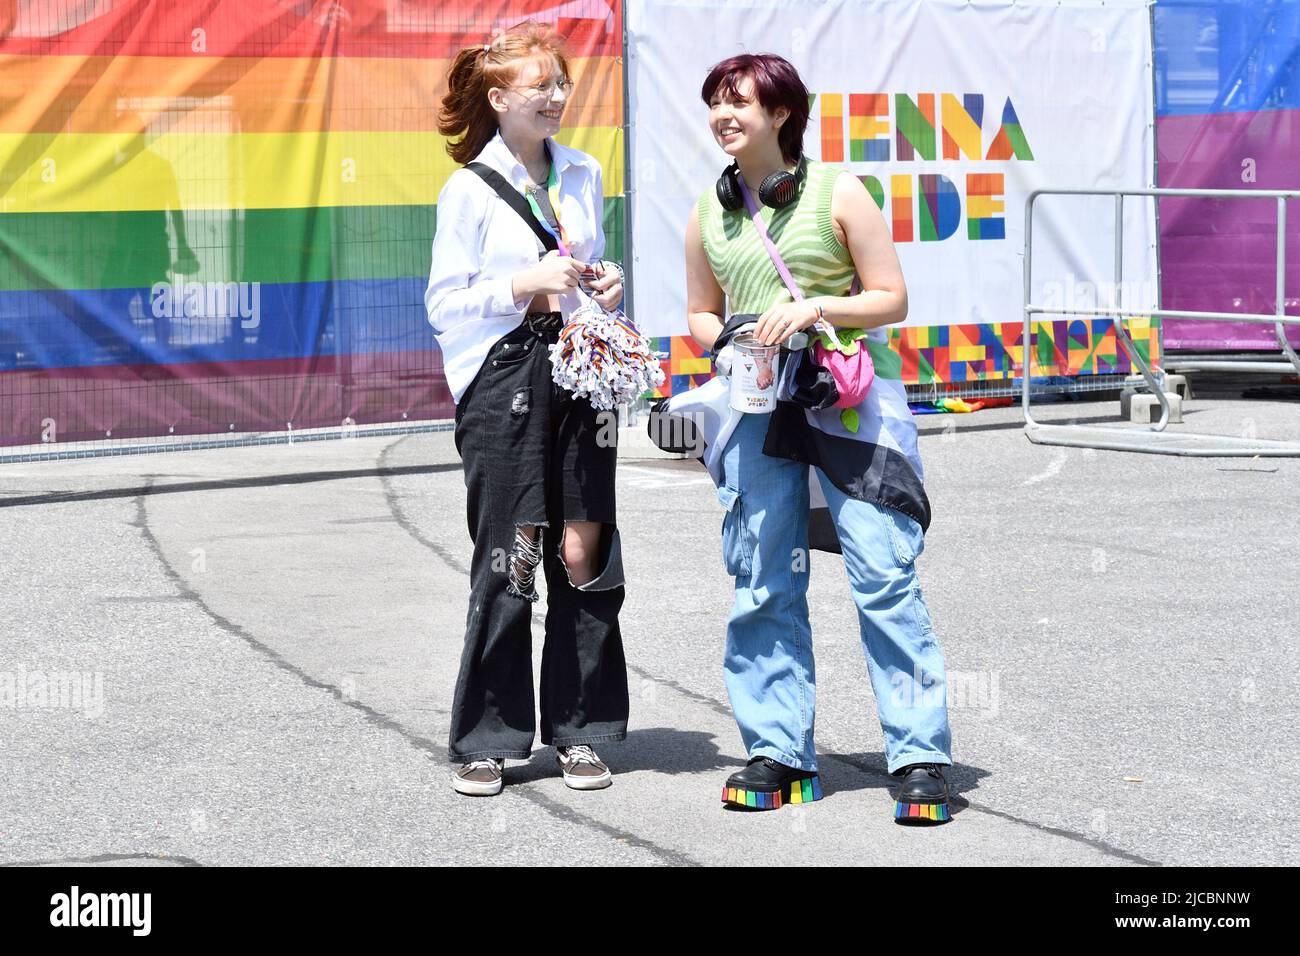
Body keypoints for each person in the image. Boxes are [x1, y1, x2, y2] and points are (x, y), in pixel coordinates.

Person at [679, 53, 954, 822]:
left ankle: (921, 757)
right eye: (715, 104)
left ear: (782, 114)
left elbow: (891, 297)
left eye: (740, 103)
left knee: (883, 577)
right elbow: (700, 311)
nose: (723, 116)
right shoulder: (709, 210)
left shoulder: (839, 191)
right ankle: (779, 754)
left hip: (850, 410)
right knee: (763, 578)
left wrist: (815, 309)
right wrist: (734, 338)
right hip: (757, 409)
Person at [425, 21, 629, 798]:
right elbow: (446, 305)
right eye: (539, 84)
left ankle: (581, 730)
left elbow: (584, 266)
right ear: (499, 96)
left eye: (560, 82)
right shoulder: (468, 188)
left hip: (581, 368)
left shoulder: (583, 170)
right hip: (504, 373)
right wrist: (523, 282)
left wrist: (601, 282)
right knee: (514, 555)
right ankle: (488, 737)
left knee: (584, 551)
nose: (555, 96)